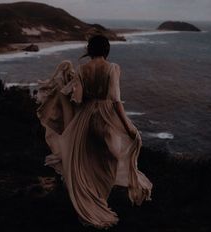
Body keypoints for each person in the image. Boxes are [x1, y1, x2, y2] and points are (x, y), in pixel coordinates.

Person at [36, 35, 153, 229]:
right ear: (106, 50)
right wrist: (128, 127)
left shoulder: (82, 69)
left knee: (88, 162)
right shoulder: (113, 68)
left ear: (89, 50)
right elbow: (116, 101)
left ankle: (93, 201)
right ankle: (100, 201)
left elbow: (79, 99)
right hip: (106, 117)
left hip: (85, 119)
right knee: (110, 160)